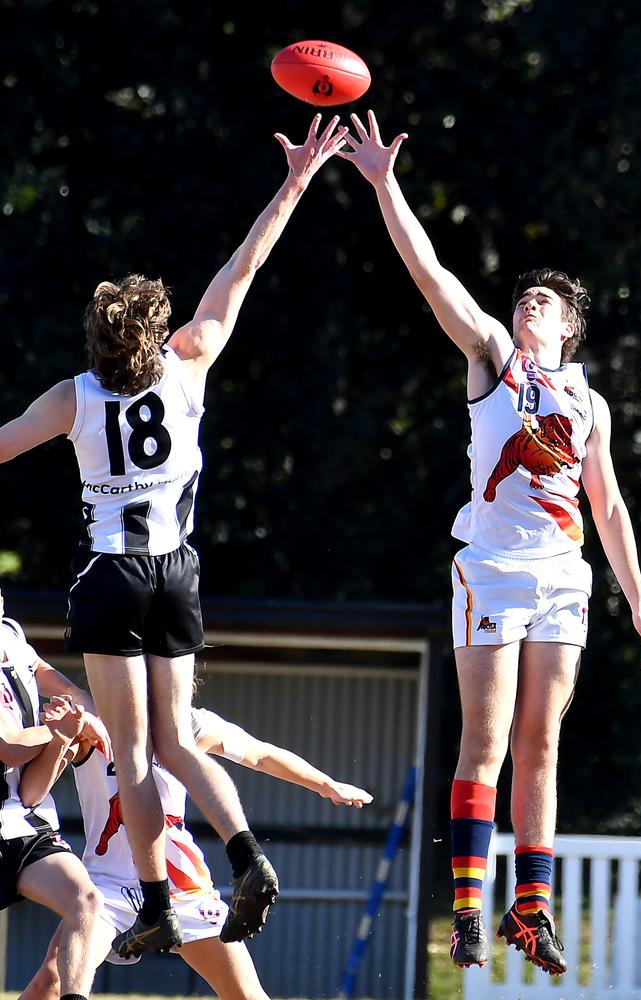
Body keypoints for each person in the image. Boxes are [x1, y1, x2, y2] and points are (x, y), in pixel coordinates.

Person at [0, 113, 350, 959]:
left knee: (131, 747)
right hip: (179, 571)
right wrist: (296, 179)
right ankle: (250, 857)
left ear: (96, 341)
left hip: (112, 576)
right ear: (154, 333)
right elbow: (244, 268)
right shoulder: (189, 360)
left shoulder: (77, 395)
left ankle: (156, 899)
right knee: (181, 739)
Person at [337, 111, 641, 976]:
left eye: (543, 301)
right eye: (524, 296)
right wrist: (383, 183)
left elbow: (611, 508)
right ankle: (469, 911)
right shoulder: (494, 359)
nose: (528, 302)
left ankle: (530, 912)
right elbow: (432, 274)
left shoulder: (590, 403)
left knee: (540, 745)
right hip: (490, 570)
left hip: (563, 576)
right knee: (486, 738)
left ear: (569, 331)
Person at [19, 699, 373, 1000]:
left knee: (247, 995)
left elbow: (261, 755)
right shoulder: (96, 721)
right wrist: (60, 726)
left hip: (182, 890)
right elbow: (34, 764)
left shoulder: (188, 725)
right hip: (108, 888)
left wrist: (327, 784)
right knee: (51, 981)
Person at [0, 595, 113, 1000]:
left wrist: (85, 720)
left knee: (85, 900)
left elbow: (31, 792)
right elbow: (9, 745)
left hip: (23, 823)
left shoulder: (10, 634)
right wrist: (62, 728)